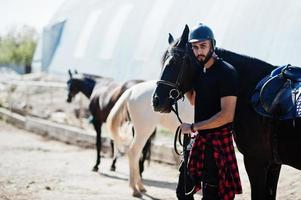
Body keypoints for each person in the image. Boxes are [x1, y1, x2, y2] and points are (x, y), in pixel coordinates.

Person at [176, 23, 242, 200]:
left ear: (212, 45)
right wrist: (186, 80)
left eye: (203, 46)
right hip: (200, 141)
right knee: (182, 191)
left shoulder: (227, 72)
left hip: (217, 145)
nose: (199, 51)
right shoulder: (200, 72)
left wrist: (193, 126)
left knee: (213, 195)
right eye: (195, 47)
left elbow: (227, 115)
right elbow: (194, 101)